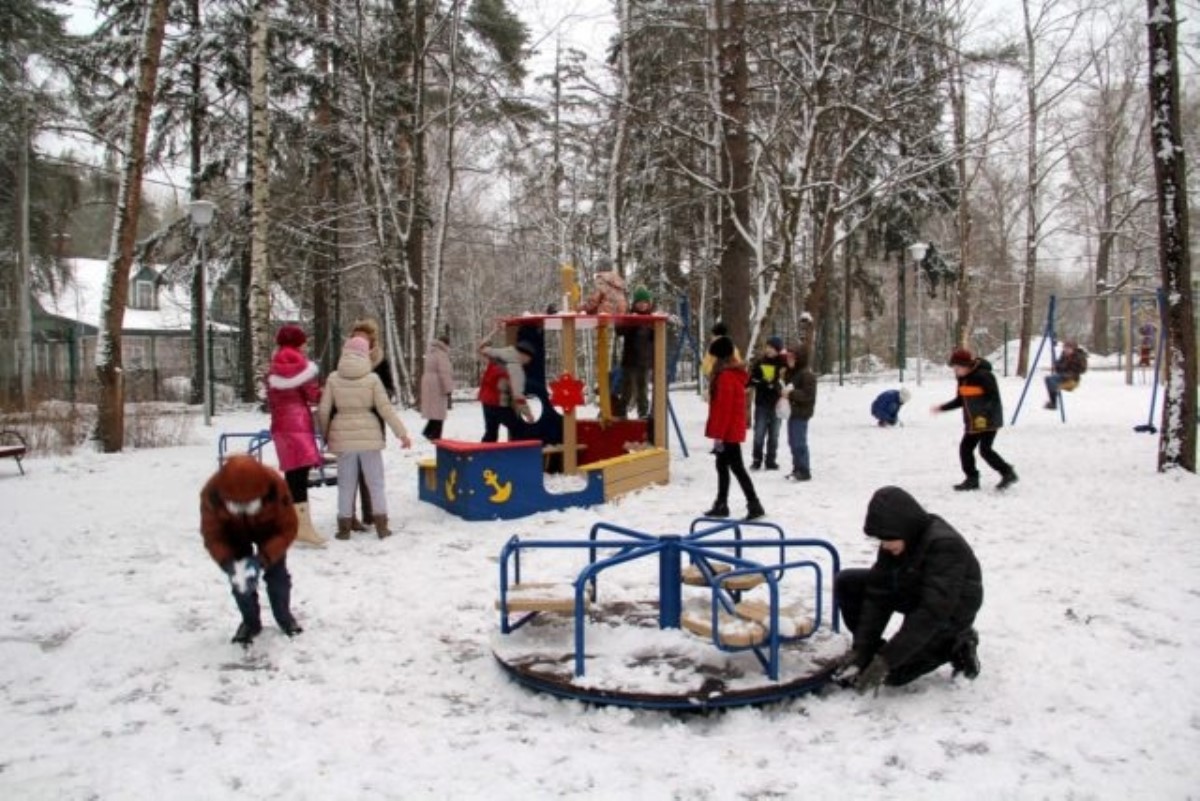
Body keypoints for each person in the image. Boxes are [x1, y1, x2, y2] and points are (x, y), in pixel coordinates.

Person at [829, 485, 983, 694]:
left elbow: (931, 613)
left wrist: (886, 661)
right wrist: (863, 650)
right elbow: (878, 593)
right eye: (881, 539)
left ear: (905, 526)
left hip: (950, 612)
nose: (884, 545)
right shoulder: (897, 540)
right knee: (848, 582)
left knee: (894, 675)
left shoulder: (945, 545)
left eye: (887, 539)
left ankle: (957, 644)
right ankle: (874, 653)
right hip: (915, 590)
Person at [200, 455, 304, 645]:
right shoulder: (212, 493)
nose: (244, 508)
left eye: (249, 504)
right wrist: (227, 562)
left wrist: (264, 558)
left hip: (269, 530)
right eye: (237, 505)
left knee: (277, 575)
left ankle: (284, 617)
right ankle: (250, 622)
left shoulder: (275, 486)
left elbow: (287, 528)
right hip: (233, 533)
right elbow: (213, 535)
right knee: (241, 581)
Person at [317, 336, 412, 540]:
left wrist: (325, 434)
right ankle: (381, 526)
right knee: (375, 482)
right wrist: (401, 433)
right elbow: (385, 409)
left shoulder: (333, 378)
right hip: (369, 435)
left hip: (342, 434)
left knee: (345, 484)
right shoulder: (372, 378)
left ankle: (344, 527)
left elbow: (324, 410)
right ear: (365, 354)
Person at [265, 324, 327, 547]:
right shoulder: (301, 366)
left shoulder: (274, 366)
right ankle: (303, 527)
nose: (306, 345)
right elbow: (313, 395)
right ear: (298, 343)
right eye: (304, 341)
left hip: (281, 425)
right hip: (298, 424)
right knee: (301, 475)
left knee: (292, 475)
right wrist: (326, 390)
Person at [932, 348, 1017, 491]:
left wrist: (984, 416)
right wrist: (942, 408)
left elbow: (993, 398)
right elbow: (961, 400)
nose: (955, 371)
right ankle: (979, 478)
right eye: (954, 368)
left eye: (957, 368)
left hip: (988, 419)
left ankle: (1003, 473)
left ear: (966, 365)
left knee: (980, 449)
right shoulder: (962, 379)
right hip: (974, 420)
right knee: (970, 449)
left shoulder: (984, 376)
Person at [703, 335, 765, 520]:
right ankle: (722, 503)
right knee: (722, 466)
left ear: (720, 357)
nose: (711, 359)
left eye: (713, 356)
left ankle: (754, 504)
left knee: (736, 467)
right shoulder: (728, 374)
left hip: (728, 432)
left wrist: (719, 436)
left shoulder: (726, 377)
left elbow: (724, 409)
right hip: (728, 430)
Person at [345, 317, 396, 531]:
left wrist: (377, 397)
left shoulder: (380, 361)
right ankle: (349, 516)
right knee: (350, 473)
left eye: (364, 337)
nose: (361, 341)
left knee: (371, 471)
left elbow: (390, 389)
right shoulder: (344, 360)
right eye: (357, 337)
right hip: (347, 423)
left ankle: (372, 513)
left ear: (372, 340)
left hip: (373, 421)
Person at [478, 338, 536, 442]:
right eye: (529, 359)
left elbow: (482, 348)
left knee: (491, 433)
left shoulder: (500, 352)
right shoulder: (515, 368)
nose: (528, 362)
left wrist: (495, 331)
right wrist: (528, 414)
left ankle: (483, 456)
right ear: (524, 355)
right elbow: (518, 396)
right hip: (499, 403)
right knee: (519, 429)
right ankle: (517, 454)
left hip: (486, 401)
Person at [616, 285, 656, 419]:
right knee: (627, 388)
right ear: (635, 304)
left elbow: (655, 338)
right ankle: (622, 411)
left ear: (649, 304)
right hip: (630, 360)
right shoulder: (630, 317)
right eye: (639, 303)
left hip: (644, 361)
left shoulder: (651, 320)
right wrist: (629, 322)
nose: (642, 305)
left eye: (645, 303)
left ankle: (643, 413)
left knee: (642, 389)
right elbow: (619, 331)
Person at [748, 336, 787, 470]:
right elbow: (751, 380)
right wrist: (761, 382)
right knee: (759, 433)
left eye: (772, 348)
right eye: (768, 347)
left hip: (777, 405)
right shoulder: (760, 363)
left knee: (774, 434)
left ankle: (771, 460)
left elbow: (785, 382)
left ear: (778, 350)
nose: (769, 350)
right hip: (762, 404)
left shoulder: (782, 364)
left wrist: (775, 384)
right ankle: (757, 459)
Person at [782, 344, 817, 481]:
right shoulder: (792, 373)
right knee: (792, 441)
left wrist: (790, 393)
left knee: (799, 442)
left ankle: (804, 469)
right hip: (793, 411)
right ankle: (797, 467)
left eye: (792, 357)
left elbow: (808, 395)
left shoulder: (806, 375)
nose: (789, 360)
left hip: (801, 412)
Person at [419, 333, 455, 441]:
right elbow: (444, 373)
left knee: (434, 410)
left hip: (428, 382)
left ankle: (428, 431)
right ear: (446, 344)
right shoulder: (442, 354)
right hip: (438, 384)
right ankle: (435, 435)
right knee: (439, 412)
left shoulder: (431, 352)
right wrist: (448, 389)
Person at [1044, 339, 1088, 410]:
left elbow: (1083, 369)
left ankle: (1053, 402)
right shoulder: (1064, 355)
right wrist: (1057, 365)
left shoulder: (1079, 357)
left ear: (1073, 349)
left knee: (1053, 381)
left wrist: (1074, 365)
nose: (1066, 350)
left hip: (1072, 380)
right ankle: (1053, 402)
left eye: (1068, 348)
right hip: (1063, 377)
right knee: (1048, 379)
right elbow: (1059, 367)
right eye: (1065, 348)